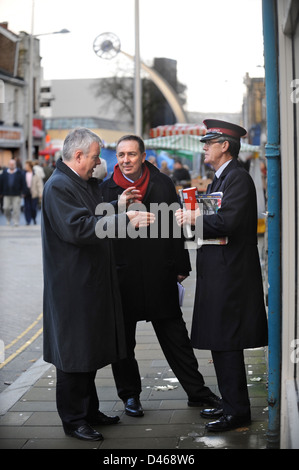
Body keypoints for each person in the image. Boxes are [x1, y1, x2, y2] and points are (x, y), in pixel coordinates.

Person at [41, 128, 154, 441]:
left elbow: (90, 216)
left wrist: (117, 206)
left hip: (86, 284)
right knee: (73, 356)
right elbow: (78, 228)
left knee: (86, 351)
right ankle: (74, 420)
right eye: (93, 157)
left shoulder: (75, 182)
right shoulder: (59, 186)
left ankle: (89, 411)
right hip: (72, 288)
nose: (97, 163)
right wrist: (126, 221)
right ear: (78, 156)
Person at [99, 134, 220, 418]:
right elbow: (99, 231)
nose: (125, 160)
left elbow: (176, 227)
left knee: (175, 336)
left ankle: (197, 392)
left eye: (131, 154)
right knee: (123, 343)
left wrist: (181, 267)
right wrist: (119, 205)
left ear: (143, 156)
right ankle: (130, 396)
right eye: (121, 155)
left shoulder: (163, 183)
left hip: (159, 273)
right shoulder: (105, 190)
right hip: (122, 276)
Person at [176, 119, 268, 432]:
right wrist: (193, 216)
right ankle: (231, 406)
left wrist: (194, 215)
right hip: (221, 273)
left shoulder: (237, 179)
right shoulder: (222, 179)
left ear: (224, 145)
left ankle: (237, 413)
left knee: (227, 343)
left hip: (230, 277)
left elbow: (226, 222)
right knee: (221, 342)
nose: (204, 148)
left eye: (208, 143)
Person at [0, 159, 26, 226]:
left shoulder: (19, 173)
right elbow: (1, 183)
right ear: (8, 165)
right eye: (10, 164)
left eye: (13, 164)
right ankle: (8, 219)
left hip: (16, 194)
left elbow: (23, 183)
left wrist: (23, 192)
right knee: (5, 208)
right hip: (6, 194)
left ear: (15, 165)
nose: (11, 165)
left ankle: (16, 221)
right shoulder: (4, 173)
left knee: (16, 209)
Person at [24, 160, 44, 225]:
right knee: (27, 207)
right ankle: (28, 220)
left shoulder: (35, 174)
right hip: (26, 193)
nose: (25, 167)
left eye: (26, 166)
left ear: (30, 166)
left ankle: (34, 218)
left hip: (34, 193)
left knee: (33, 208)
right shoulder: (23, 174)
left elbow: (40, 184)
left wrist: (40, 193)